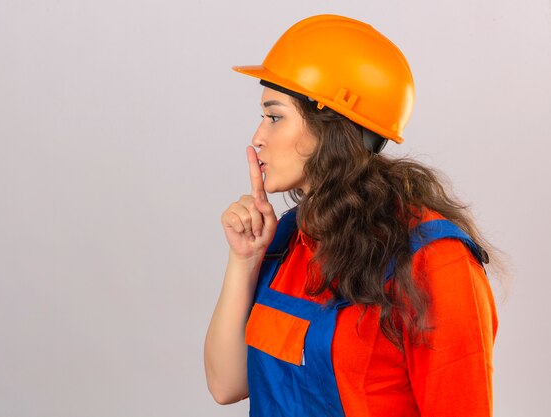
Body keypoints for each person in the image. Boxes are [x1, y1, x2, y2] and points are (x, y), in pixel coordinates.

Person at [204, 14, 499, 417]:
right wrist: (244, 260)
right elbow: (226, 385)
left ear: (332, 127)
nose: (258, 136)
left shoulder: (434, 262)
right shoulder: (289, 242)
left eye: (274, 117)